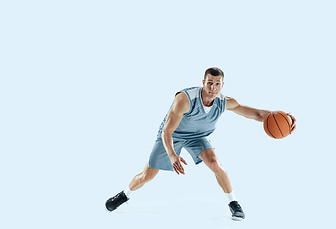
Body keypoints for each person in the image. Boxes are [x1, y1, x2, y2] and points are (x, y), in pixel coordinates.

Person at [105, 67, 296, 220]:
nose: (213, 87)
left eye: (217, 84)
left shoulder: (225, 102)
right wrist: (172, 154)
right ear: (203, 82)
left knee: (215, 163)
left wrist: (282, 117)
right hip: (175, 134)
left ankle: (233, 203)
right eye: (210, 83)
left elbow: (256, 114)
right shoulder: (185, 99)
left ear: (222, 85)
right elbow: (167, 130)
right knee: (148, 175)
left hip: (199, 136)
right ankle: (125, 194)